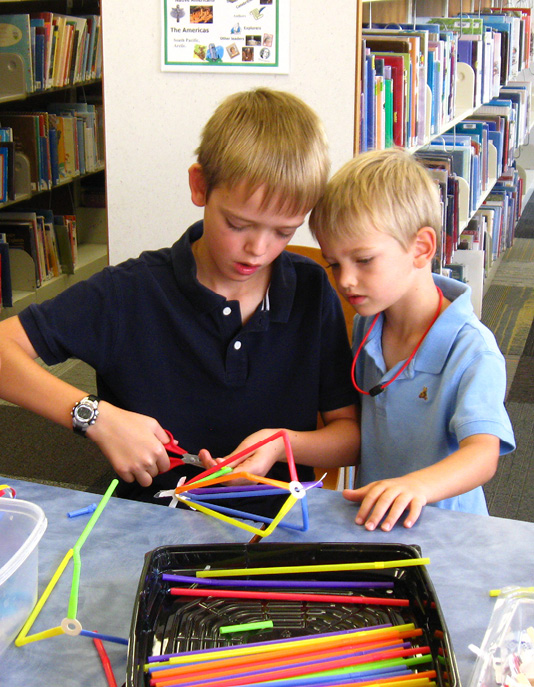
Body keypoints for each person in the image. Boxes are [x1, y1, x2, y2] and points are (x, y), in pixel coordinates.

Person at [0, 88, 359, 515]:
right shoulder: (129, 292)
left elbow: (349, 436)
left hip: (276, 530)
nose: (258, 250)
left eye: (284, 232)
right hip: (145, 529)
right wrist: (96, 417)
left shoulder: (311, 291)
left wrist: (280, 445)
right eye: (238, 224)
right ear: (200, 186)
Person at [307, 147, 515, 531]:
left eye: (364, 260)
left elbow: (483, 455)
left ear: (421, 248)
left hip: (449, 534)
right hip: (380, 526)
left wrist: (415, 486)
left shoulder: (472, 349)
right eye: (334, 263)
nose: (345, 280)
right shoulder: (366, 326)